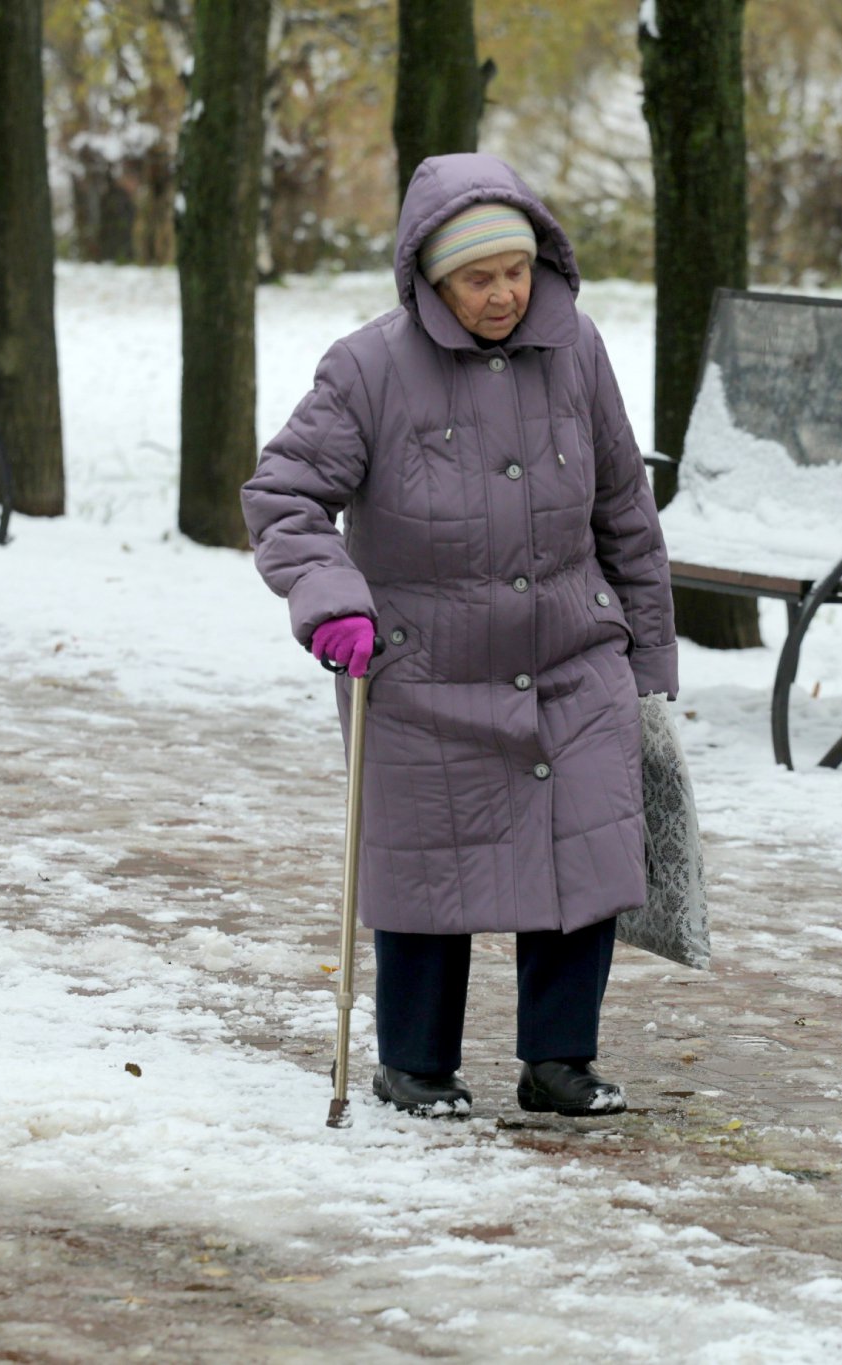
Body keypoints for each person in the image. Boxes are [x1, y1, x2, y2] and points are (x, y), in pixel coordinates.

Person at [241, 153, 677, 1119]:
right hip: (423, 663)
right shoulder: (367, 368)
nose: (504, 294)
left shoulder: (578, 350)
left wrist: (646, 653)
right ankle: (415, 1063)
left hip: (570, 654)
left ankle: (560, 1059)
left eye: (517, 271)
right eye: (480, 277)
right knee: (427, 870)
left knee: (585, 853)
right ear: (433, 277)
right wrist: (331, 598)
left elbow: (624, 509)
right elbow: (284, 497)